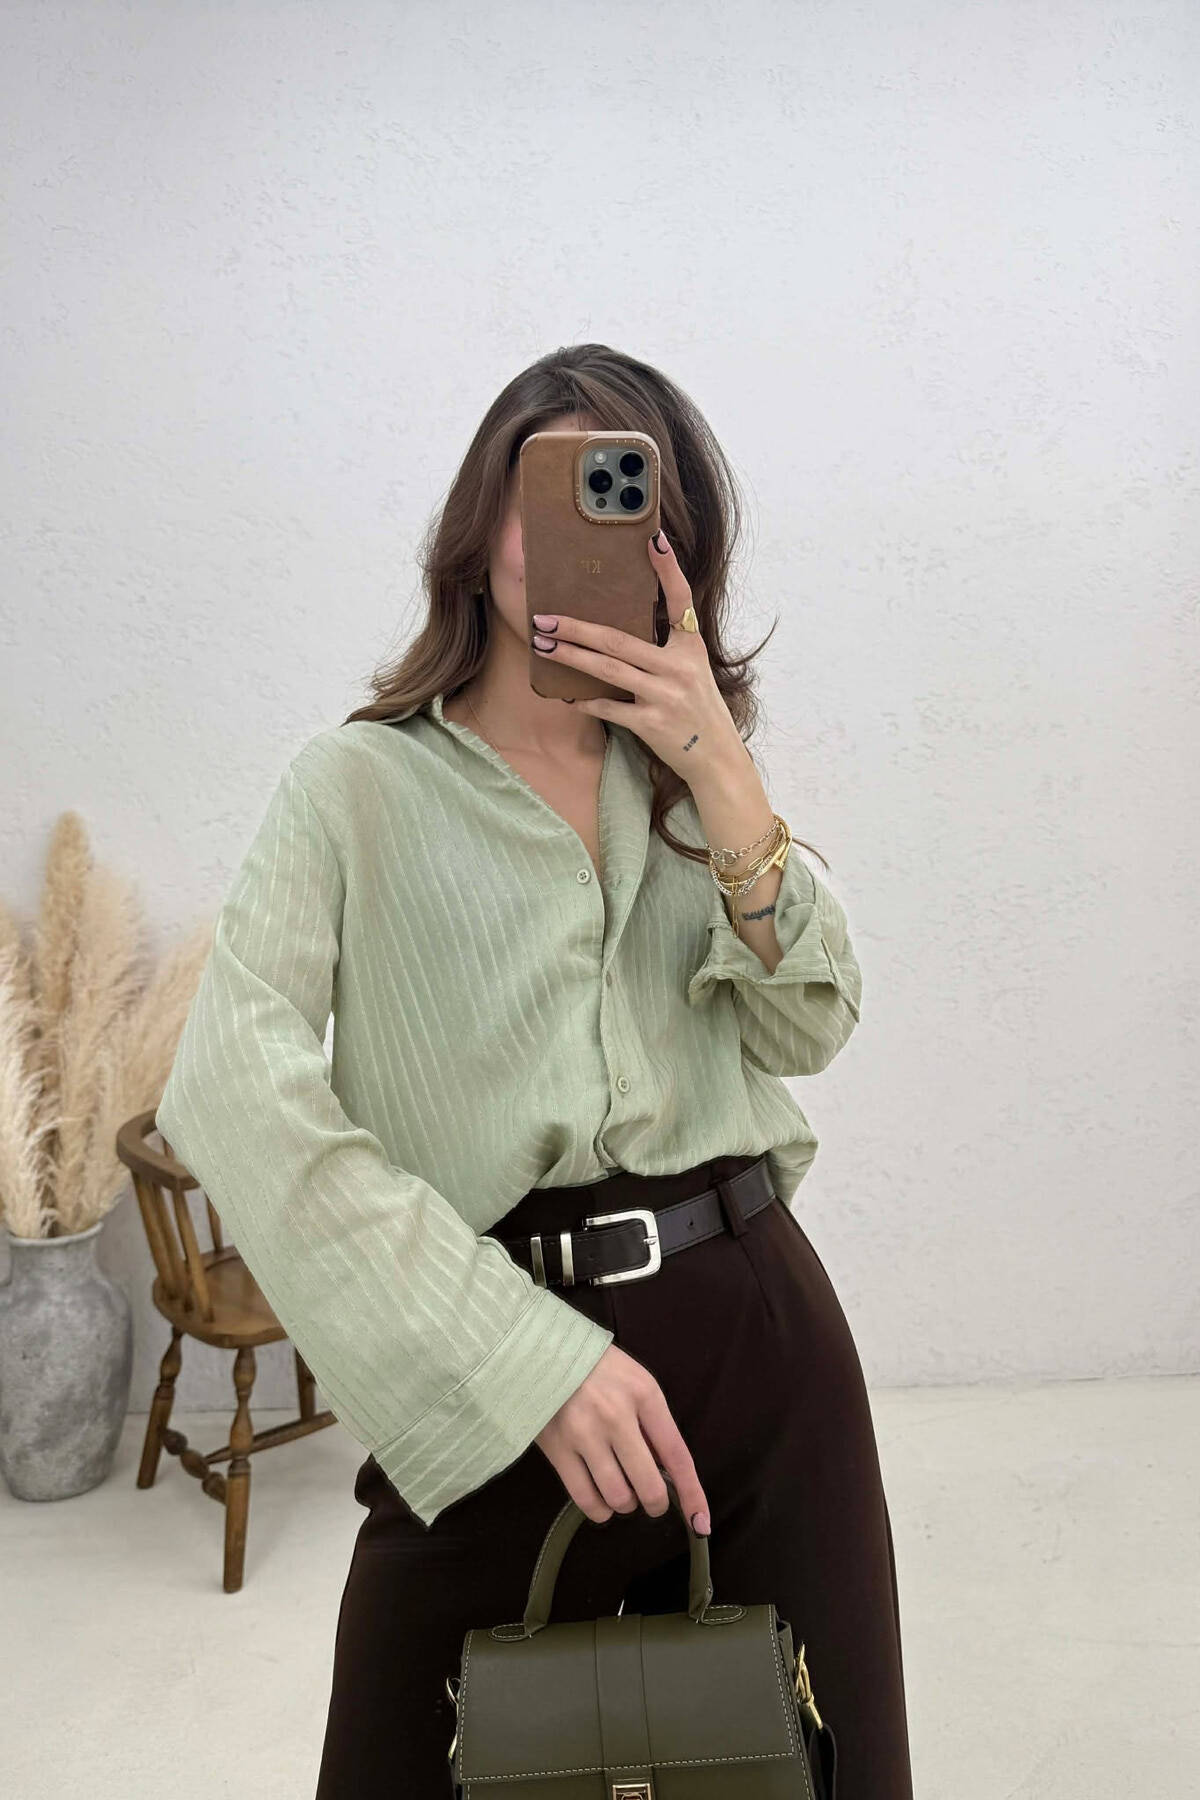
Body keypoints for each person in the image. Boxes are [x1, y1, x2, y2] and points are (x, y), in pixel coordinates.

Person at [155, 343, 913, 1798]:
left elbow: (808, 1028)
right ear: (477, 524)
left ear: (677, 549)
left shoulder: (685, 782)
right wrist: (525, 1364)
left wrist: (725, 779)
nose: (574, 531)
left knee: (816, 1769)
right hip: (492, 1366)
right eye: (547, 488)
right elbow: (231, 1088)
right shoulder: (355, 788)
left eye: (631, 496)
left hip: (762, 1346)